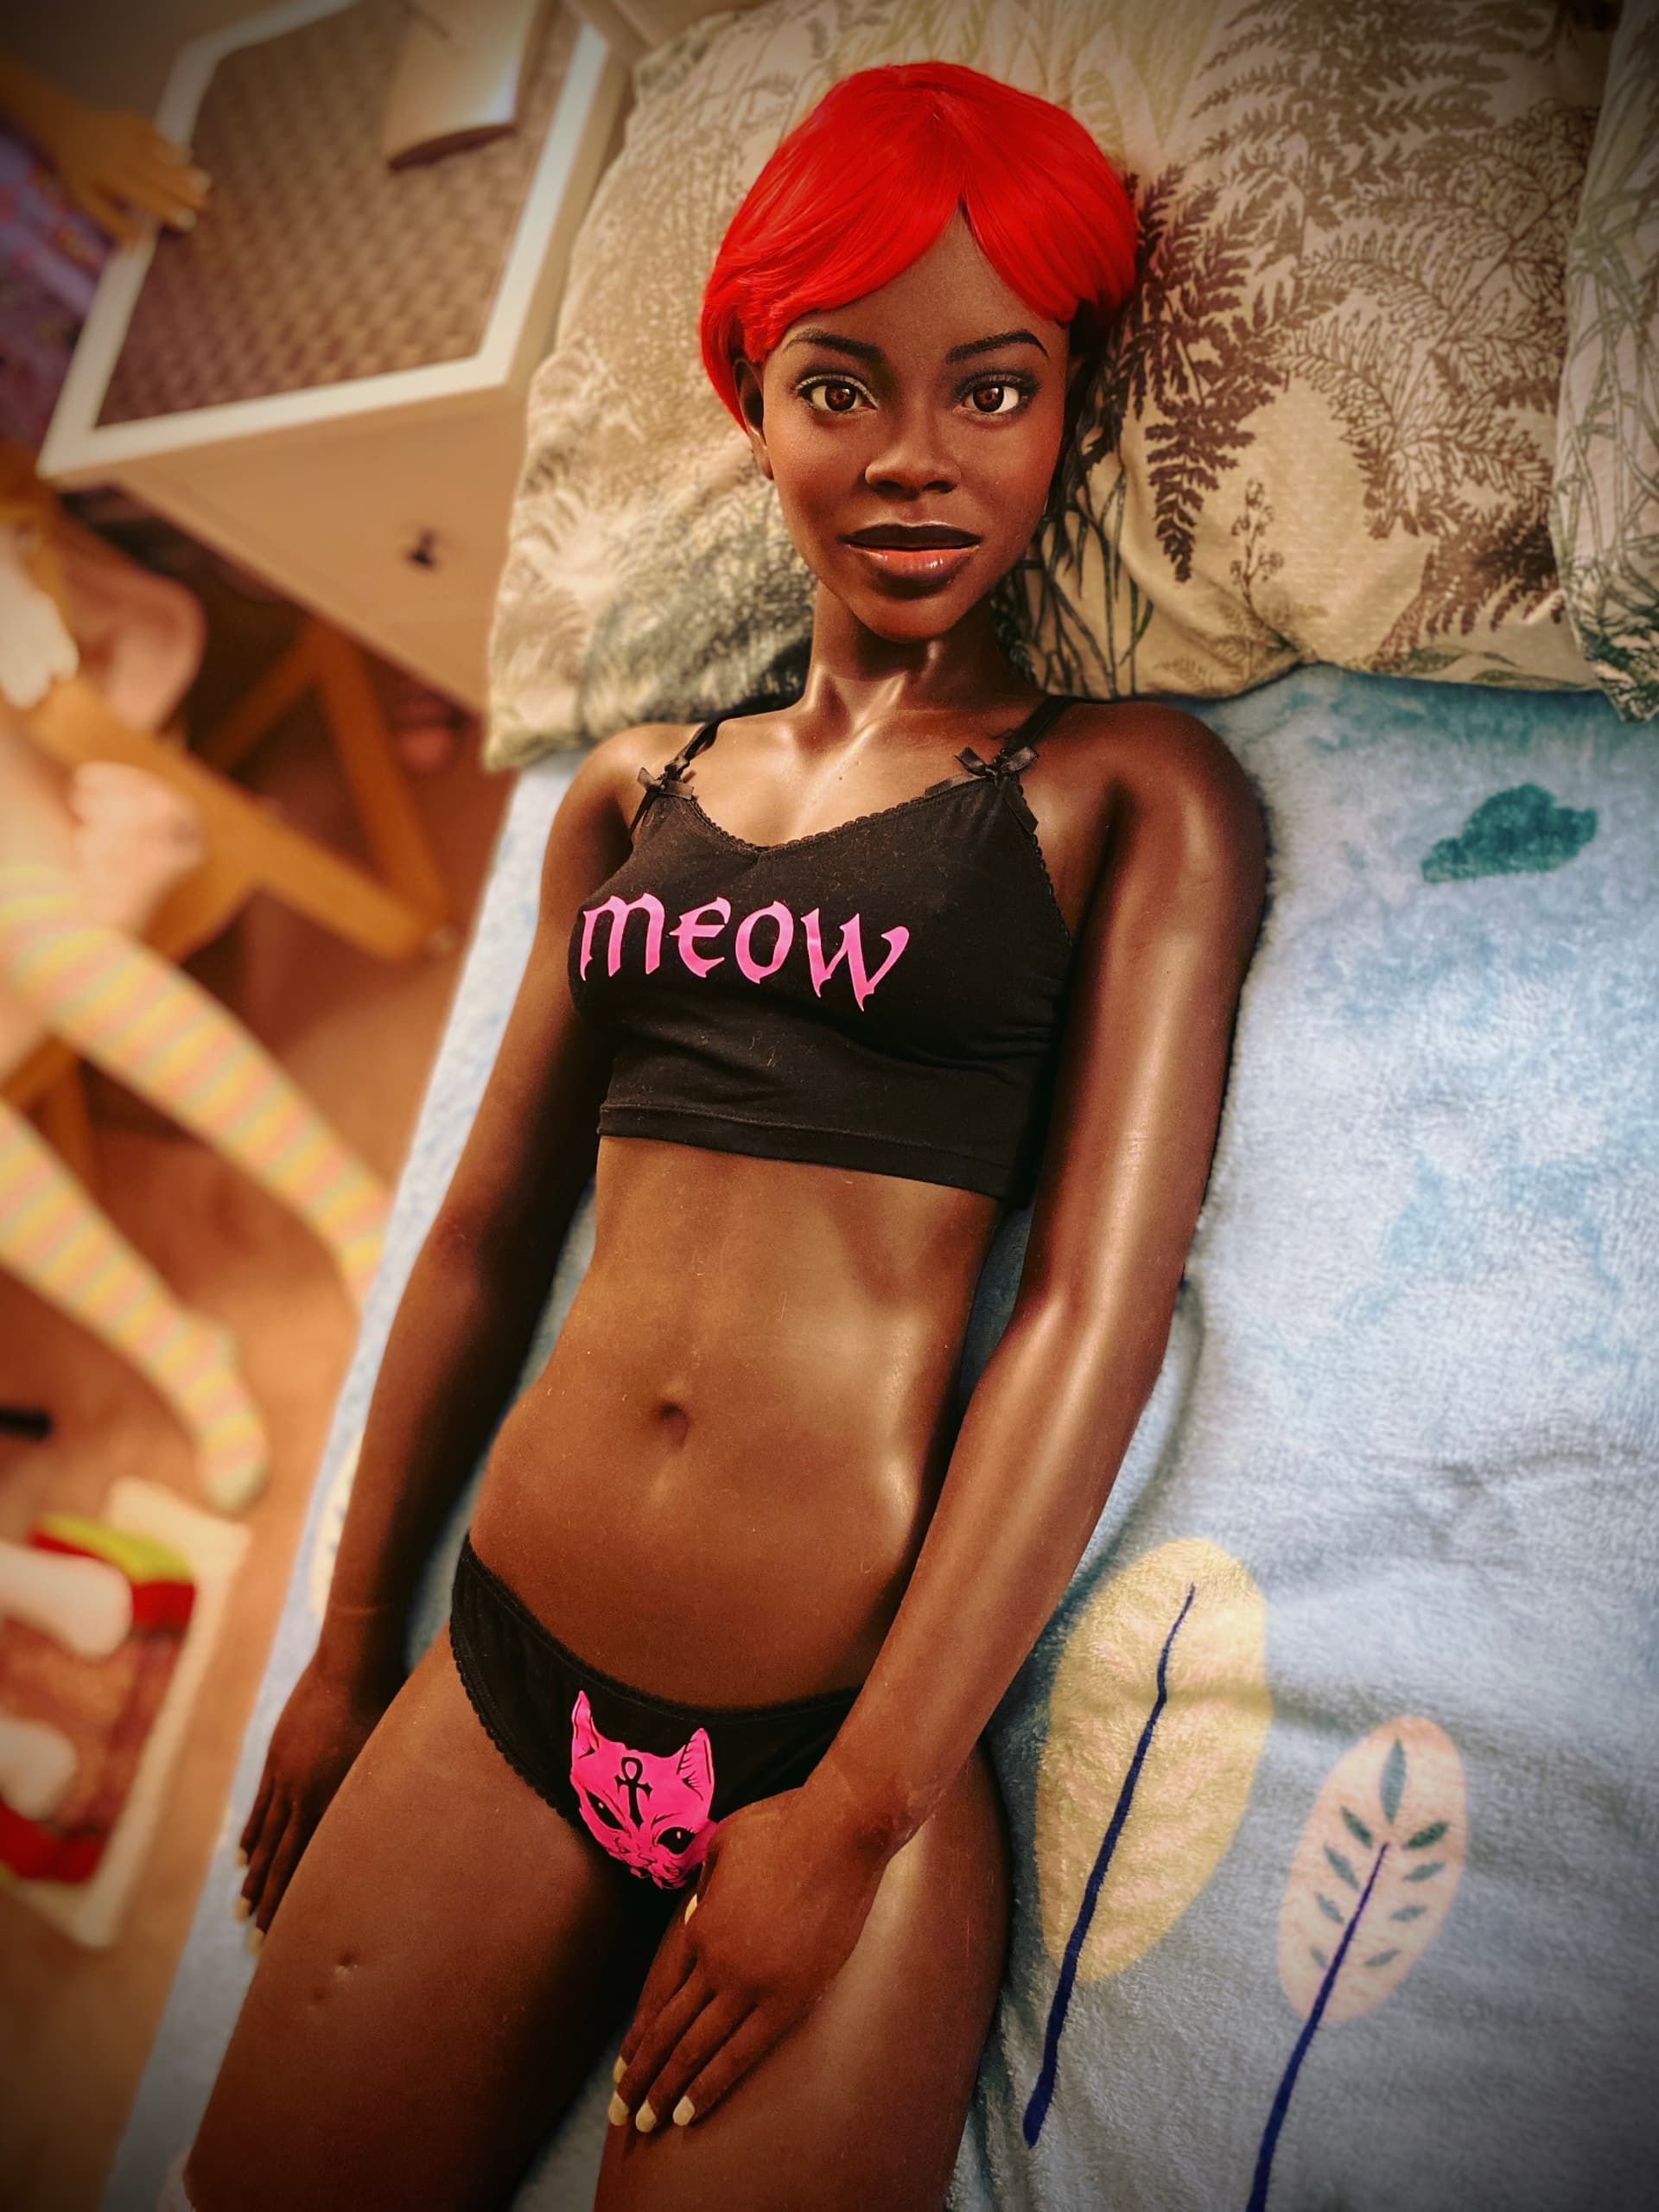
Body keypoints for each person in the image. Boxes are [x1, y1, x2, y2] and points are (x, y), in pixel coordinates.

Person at [178, 60, 1267, 2212]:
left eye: (995, 389)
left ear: (1066, 415)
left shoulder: (1122, 789)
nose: (917, 456)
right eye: (841, 385)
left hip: (829, 1727)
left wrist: (861, 1805)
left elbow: (1092, 1312)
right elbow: (481, 1234)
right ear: (752, 406)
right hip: (504, 1665)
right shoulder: (626, 792)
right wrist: (343, 1642)